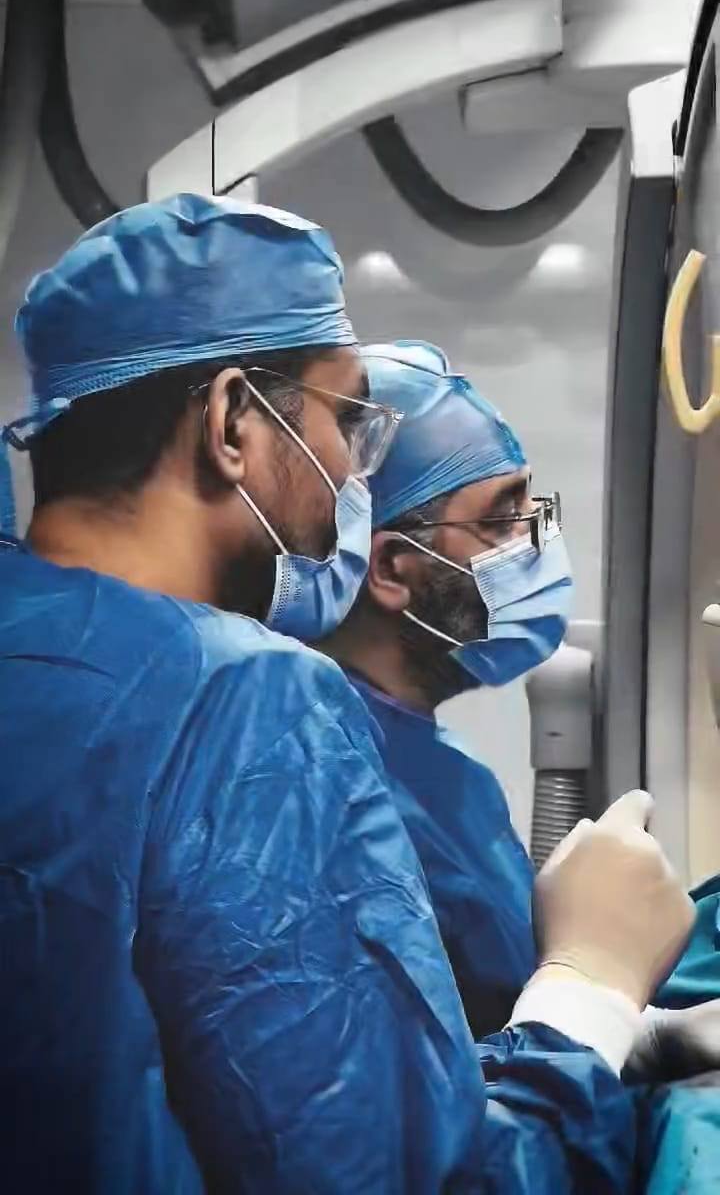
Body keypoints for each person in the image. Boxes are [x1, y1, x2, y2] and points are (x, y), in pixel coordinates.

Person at [0, 196, 694, 1194]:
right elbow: (394, 1172)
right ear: (235, 420)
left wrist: (635, 1033)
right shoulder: (243, 701)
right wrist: (592, 990)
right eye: (347, 424)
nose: (349, 479)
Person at [323, 336, 720, 1073]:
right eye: (502, 518)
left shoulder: (432, 764)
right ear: (392, 569)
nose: (538, 540)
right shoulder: (340, 795)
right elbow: (426, 1102)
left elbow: (504, 1004)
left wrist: (646, 1036)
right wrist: (596, 1000)